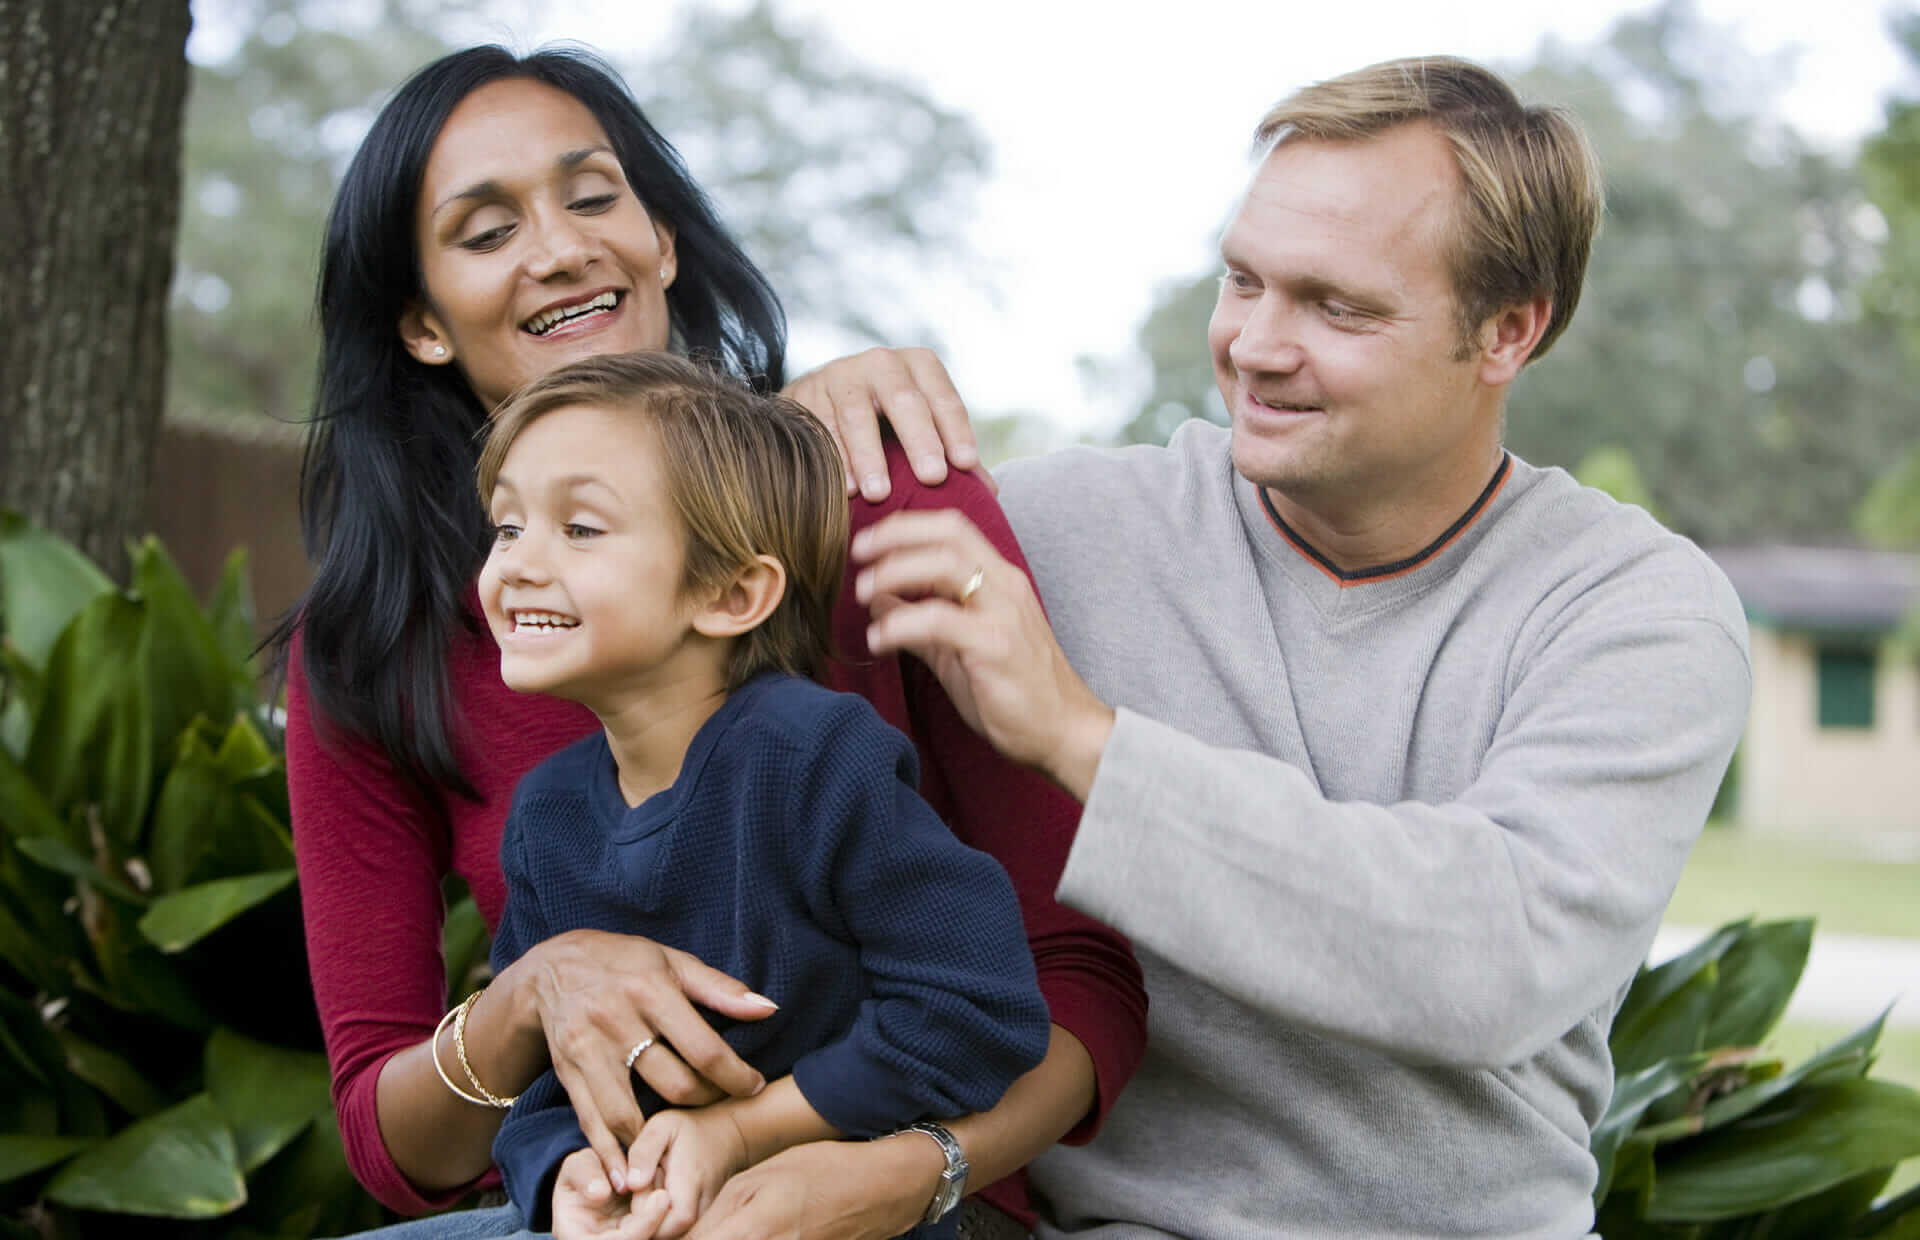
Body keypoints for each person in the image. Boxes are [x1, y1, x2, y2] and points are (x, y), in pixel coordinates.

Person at [851, 56, 1752, 1238]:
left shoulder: (1636, 607)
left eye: (1337, 307)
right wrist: (818, 416)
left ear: (1507, 332)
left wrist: (1083, 740)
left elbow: (1494, 953)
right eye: (1243, 281)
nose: (1257, 346)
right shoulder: (1045, 532)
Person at [276, 43, 1146, 1240]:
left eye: (594, 196)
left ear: (663, 241)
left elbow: (1072, 977)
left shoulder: (870, 502)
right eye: (485, 233)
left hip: (899, 1193)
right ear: (422, 323)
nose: (563, 246)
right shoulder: (405, 665)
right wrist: (535, 1014)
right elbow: (395, 1136)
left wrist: (902, 1170)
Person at [470, 352, 1050, 1237]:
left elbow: (976, 1011)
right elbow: (547, 1090)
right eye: (508, 526)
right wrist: (570, 1179)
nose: (517, 563)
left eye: (579, 528)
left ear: (733, 592)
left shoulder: (815, 757)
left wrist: (742, 1131)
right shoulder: (545, 816)